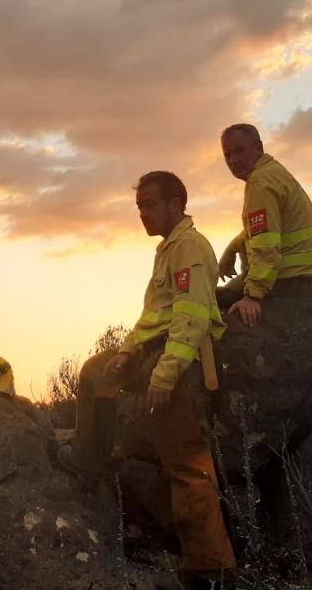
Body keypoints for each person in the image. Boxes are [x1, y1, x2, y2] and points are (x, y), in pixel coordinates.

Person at [66, 172, 236, 586]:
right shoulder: (167, 249)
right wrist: (127, 351)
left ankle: (211, 569)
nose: (143, 213)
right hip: (149, 350)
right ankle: (92, 466)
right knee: (95, 373)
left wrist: (165, 373)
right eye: (139, 206)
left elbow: (191, 319)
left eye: (150, 205)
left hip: (180, 358)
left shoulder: (190, 247)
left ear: (177, 204)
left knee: (186, 462)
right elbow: (151, 315)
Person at [216, 123, 312, 328]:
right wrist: (232, 248)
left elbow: (266, 245)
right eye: (227, 155)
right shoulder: (272, 171)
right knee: (222, 295)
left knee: (212, 304)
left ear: (258, 147)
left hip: (290, 280)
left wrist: (252, 296)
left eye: (239, 151)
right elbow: (266, 227)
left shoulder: (260, 182)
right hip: (304, 275)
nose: (233, 160)